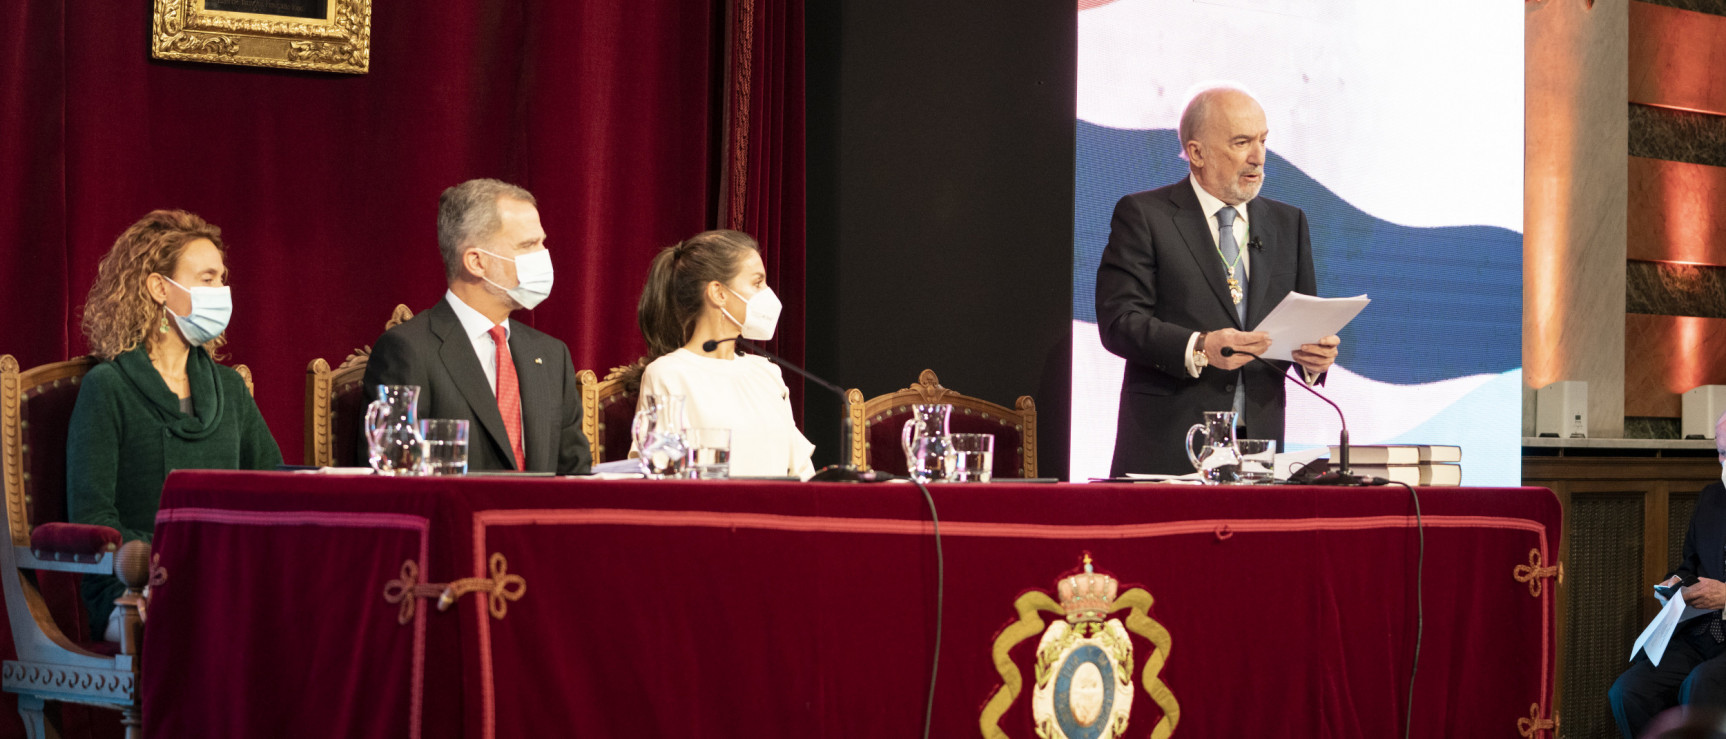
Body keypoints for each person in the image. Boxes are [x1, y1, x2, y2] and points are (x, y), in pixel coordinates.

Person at [1094, 84, 1342, 476]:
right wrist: (1201, 347)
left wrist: (1314, 358)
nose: (1258, 156)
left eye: (1263, 140)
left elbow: (1303, 321)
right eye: (1241, 142)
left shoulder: (1288, 223)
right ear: (1196, 153)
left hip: (1258, 452)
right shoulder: (1144, 215)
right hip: (1169, 446)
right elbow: (1119, 323)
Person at [67, 210, 284, 642]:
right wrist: (175, 561)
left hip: (226, 577)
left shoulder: (229, 388)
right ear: (158, 288)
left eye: (222, 279)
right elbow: (94, 518)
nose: (222, 292)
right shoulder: (107, 388)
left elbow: (273, 484)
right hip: (131, 588)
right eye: (207, 279)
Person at [362, 179, 591, 474]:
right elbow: (393, 475)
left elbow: (575, 474)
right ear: (476, 262)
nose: (543, 255)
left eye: (541, 242)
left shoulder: (551, 354)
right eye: (528, 245)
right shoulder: (408, 351)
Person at [626, 230, 814, 479]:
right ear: (719, 293)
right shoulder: (668, 374)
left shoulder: (767, 372)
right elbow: (659, 474)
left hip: (780, 514)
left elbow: (801, 469)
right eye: (757, 283)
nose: (768, 293)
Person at [1611, 411, 1726, 737]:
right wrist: (1675, 583)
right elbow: (1690, 566)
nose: (1723, 462)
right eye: (1720, 452)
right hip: (1702, 634)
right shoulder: (1711, 499)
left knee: (1699, 686)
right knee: (1628, 691)